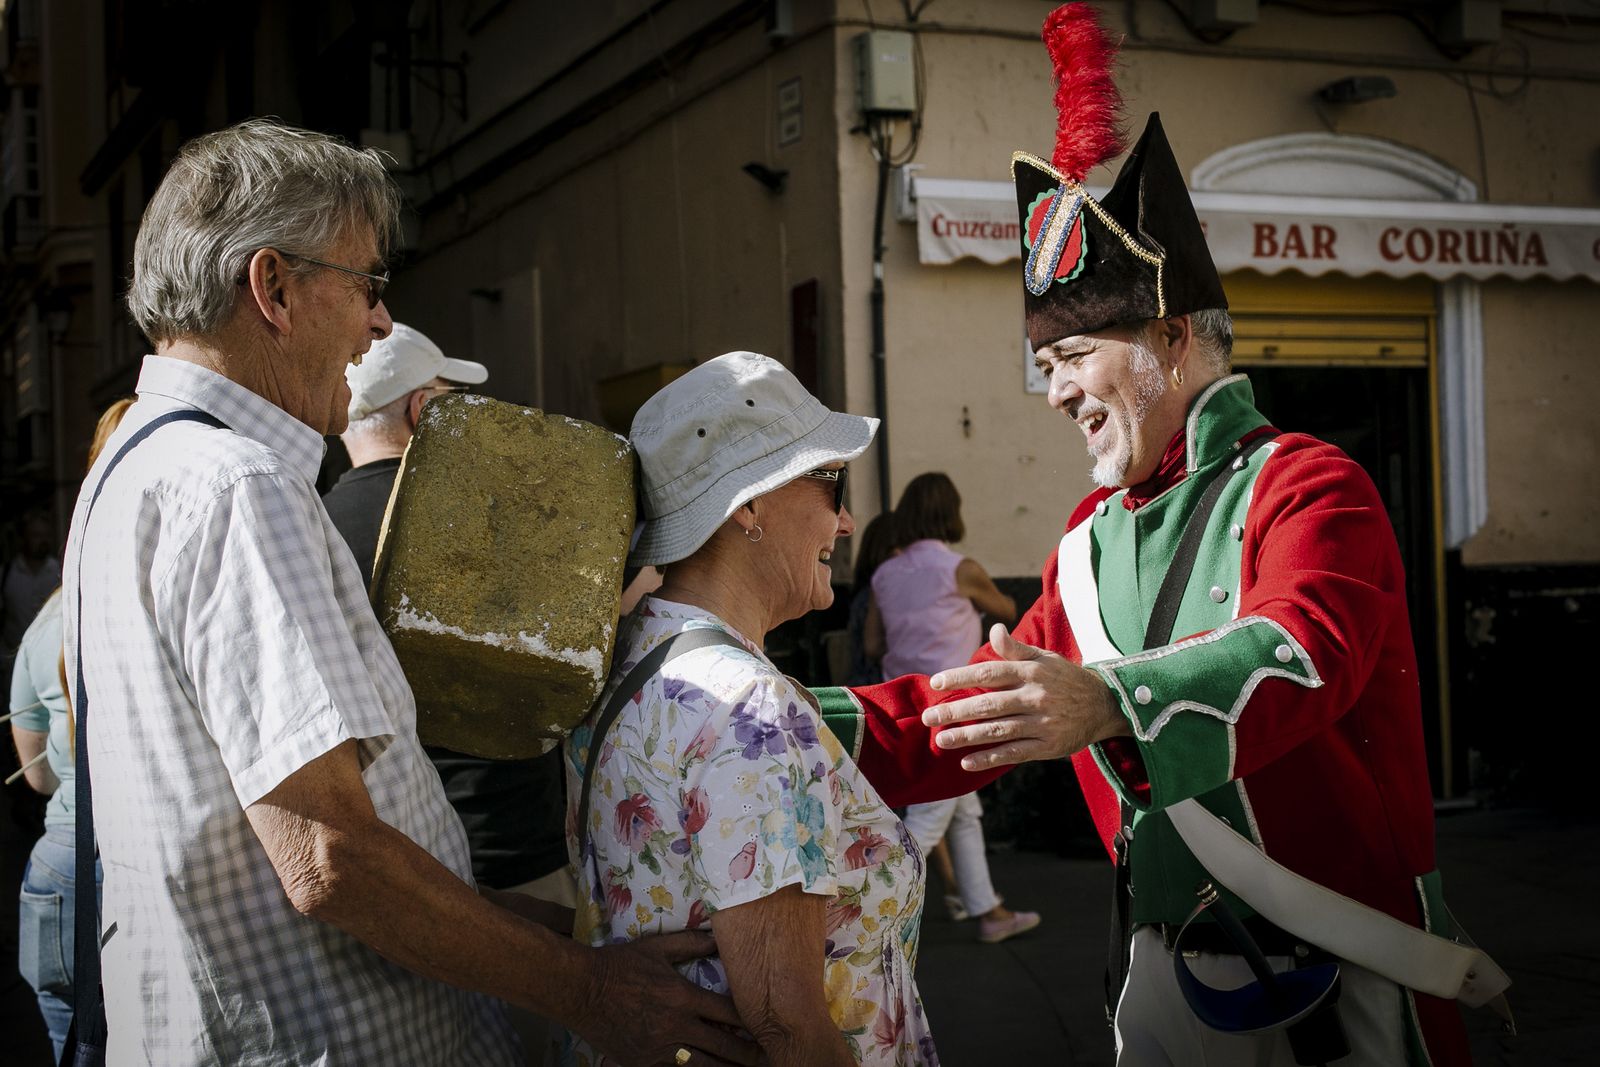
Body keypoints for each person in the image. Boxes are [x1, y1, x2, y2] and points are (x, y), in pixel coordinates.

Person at [806, 6, 1481, 1064]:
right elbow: (972, 710)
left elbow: (1305, 652)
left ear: (1170, 337)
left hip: (1334, 989)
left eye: (1074, 354)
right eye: (1046, 366)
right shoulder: (1087, 540)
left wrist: (1113, 699)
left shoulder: (1310, 483)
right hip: (1160, 982)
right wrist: (768, 716)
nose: (1054, 392)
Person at [63, 119, 754, 1067]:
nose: (380, 322)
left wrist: (552, 933)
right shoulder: (239, 485)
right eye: (367, 283)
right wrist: (591, 990)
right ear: (273, 288)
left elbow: (263, 840)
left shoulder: (134, 463)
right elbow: (329, 856)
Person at [565, 351, 935, 1066]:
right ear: (749, 505)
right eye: (832, 482)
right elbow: (791, 1031)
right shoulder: (751, 710)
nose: (848, 520)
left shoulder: (627, 657)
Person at [324, 324, 575, 1064]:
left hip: (398, 867)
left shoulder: (312, 531)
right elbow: (561, 666)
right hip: (514, 845)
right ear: (421, 409)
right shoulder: (487, 517)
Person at [10, 399, 132, 1059]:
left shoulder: (47, 622)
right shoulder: (148, 600)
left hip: (58, 862)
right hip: (134, 861)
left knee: (68, 1048)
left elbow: (37, 776)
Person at [871, 473, 1039, 945]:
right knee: (925, 824)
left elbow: (872, 643)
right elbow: (1007, 610)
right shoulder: (959, 569)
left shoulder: (884, 574)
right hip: (957, 704)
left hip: (902, 704)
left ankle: (989, 912)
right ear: (952, 513)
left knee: (963, 812)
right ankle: (863, 905)